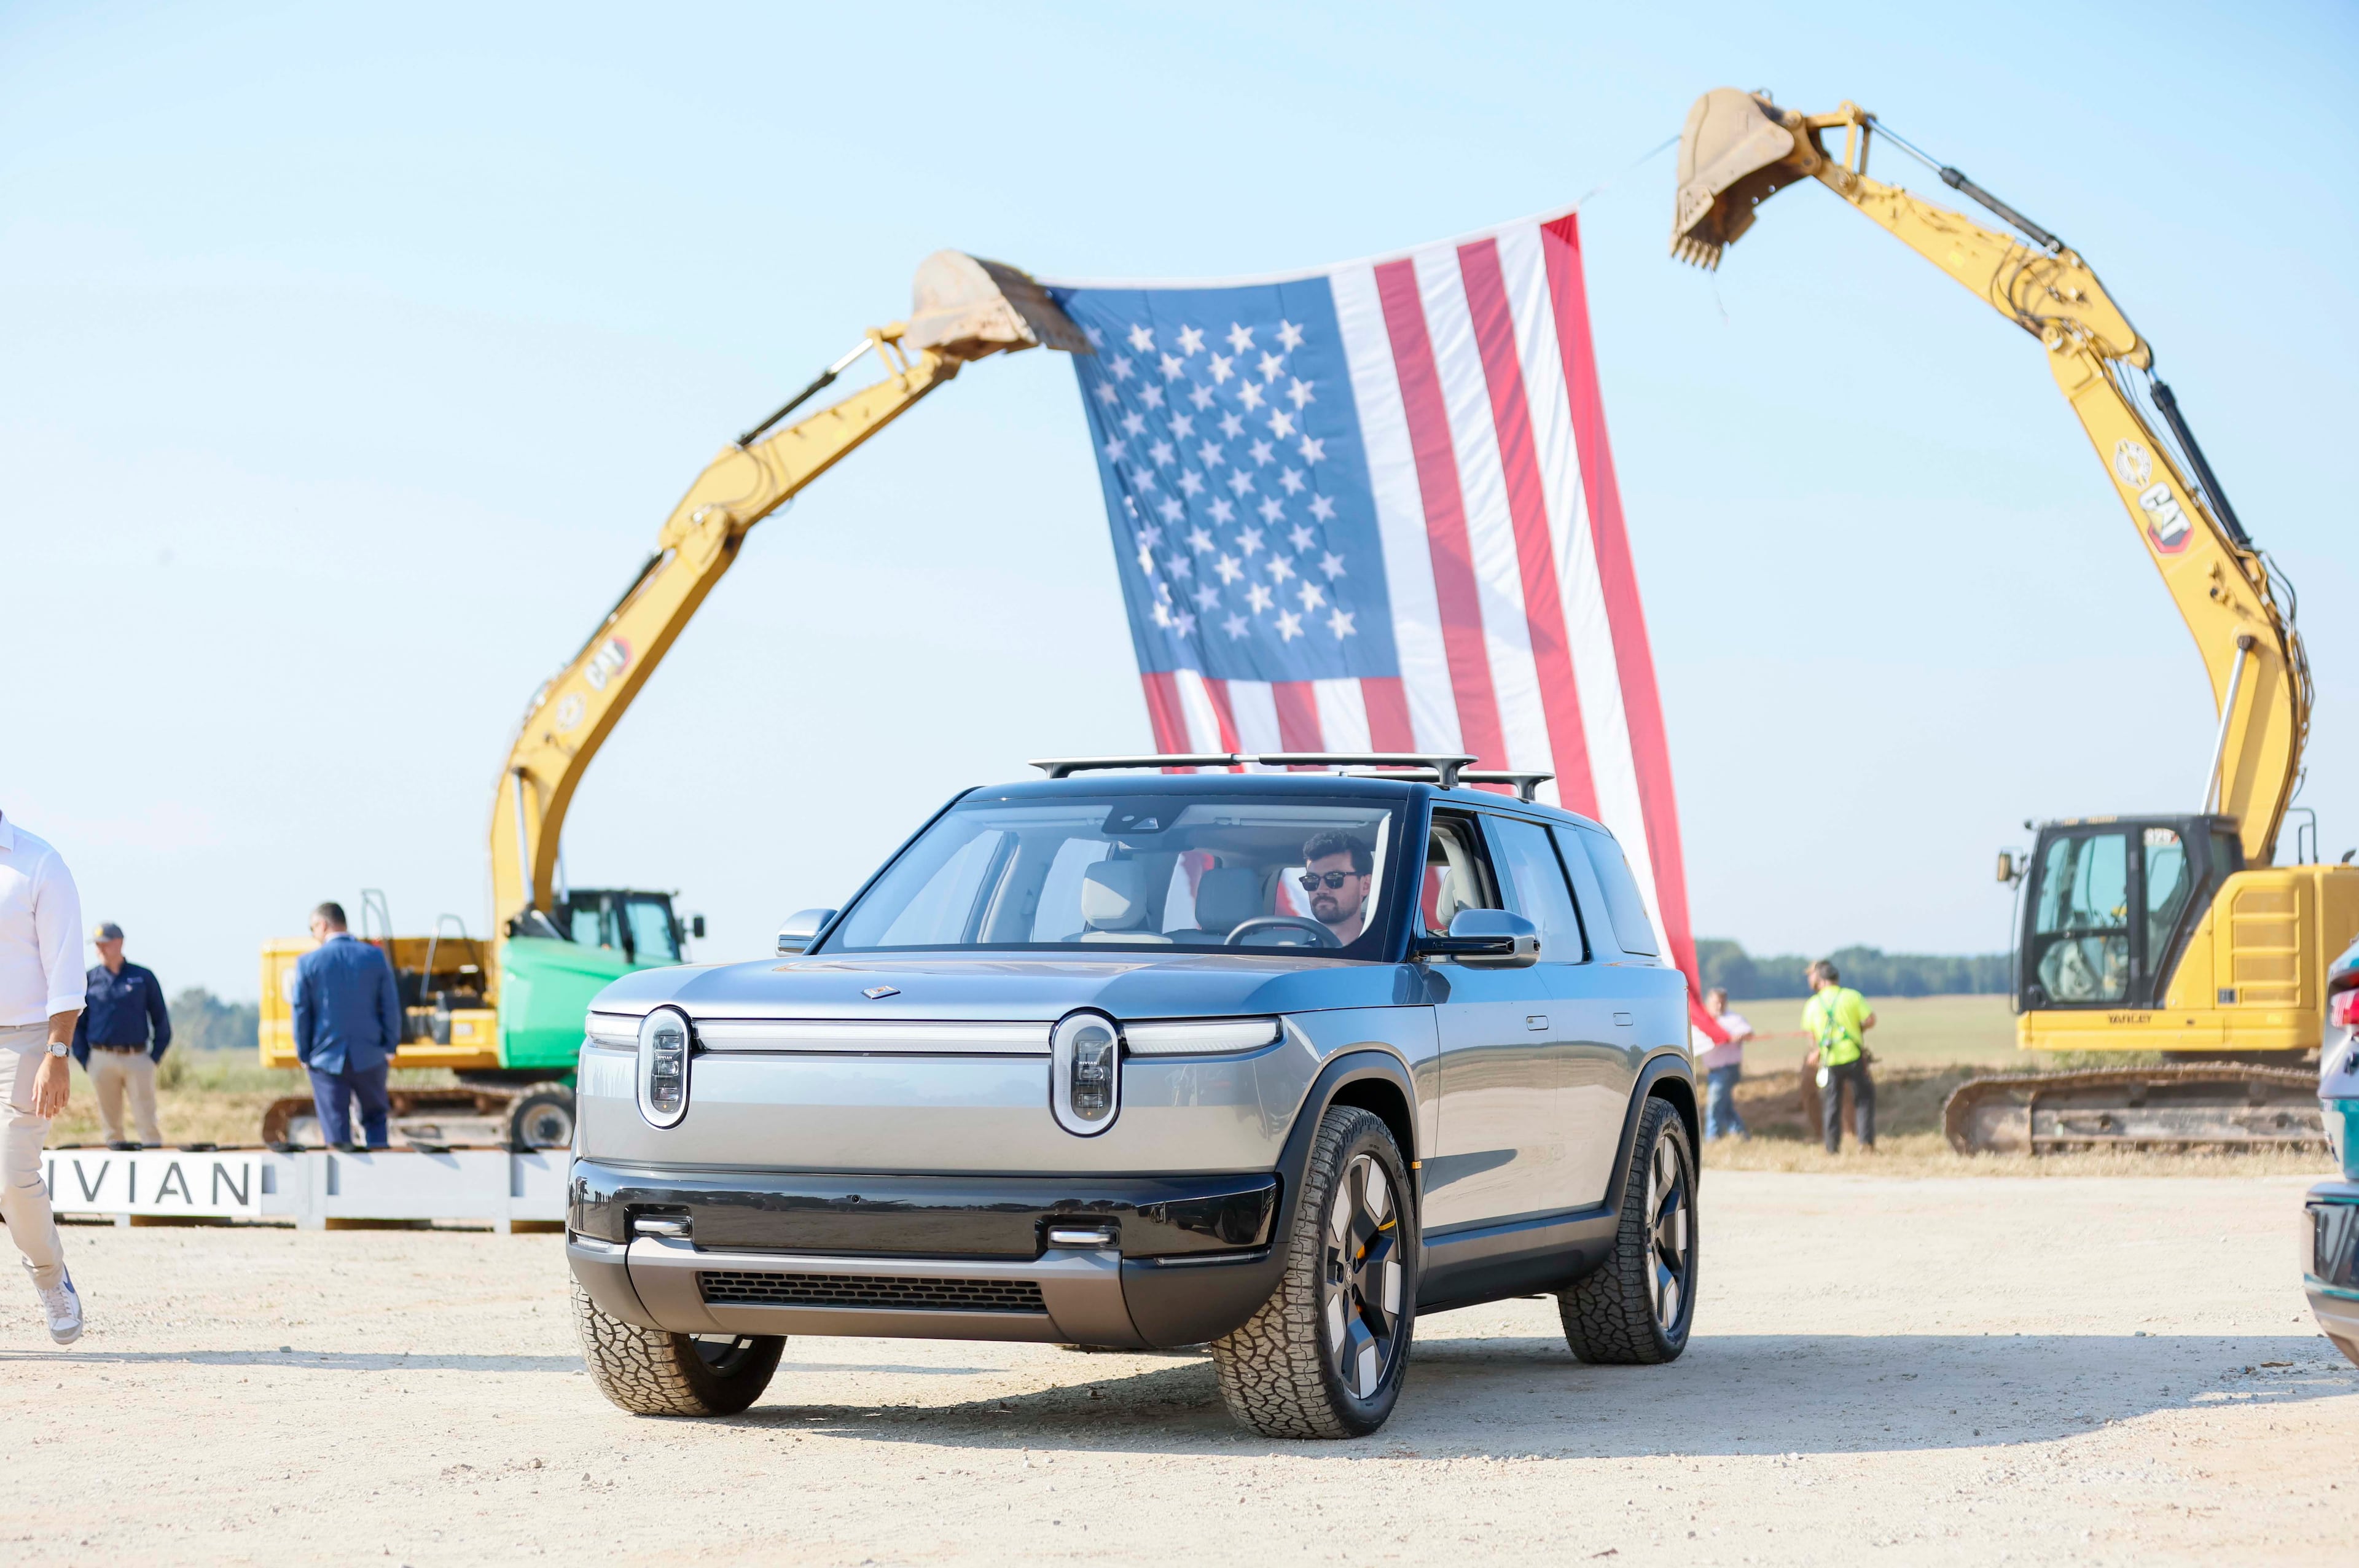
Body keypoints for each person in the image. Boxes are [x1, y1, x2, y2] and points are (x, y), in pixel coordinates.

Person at [0, 809, 86, 1343]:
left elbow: (65, 964)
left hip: (28, 1037)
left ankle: (52, 1278)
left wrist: (58, 1050)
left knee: (11, 1171)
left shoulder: (39, 863)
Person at [291, 901, 401, 1150]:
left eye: (312, 929)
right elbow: (390, 1005)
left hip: (325, 1059)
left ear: (322, 924)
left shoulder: (309, 963)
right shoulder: (373, 956)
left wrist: (304, 1053)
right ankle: (380, 1176)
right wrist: (389, 1045)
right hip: (370, 1055)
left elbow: (301, 1011)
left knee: (335, 1127)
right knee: (375, 1120)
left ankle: (343, 1184)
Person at [72, 921, 171, 1149]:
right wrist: (86, 1060)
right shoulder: (89, 980)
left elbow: (161, 1019)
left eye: (105, 944)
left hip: (138, 1058)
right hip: (101, 1057)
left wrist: (153, 1058)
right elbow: (78, 1024)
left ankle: (154, 1157)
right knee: (111, 1121)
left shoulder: (142, 977)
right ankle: (117, 1161)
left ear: (120, 943)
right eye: (97, 945)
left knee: (146, 1117)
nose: (100, 949)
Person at [1801, 959, 1877, 1152]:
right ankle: (1866, 1143)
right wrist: (1857, 1029)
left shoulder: (1813, 1004)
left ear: (1822, 979)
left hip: (1830, 1060)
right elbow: (1870, 1020)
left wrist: (1817, 1050)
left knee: (1832, 1105)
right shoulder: (1852, 997)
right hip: (1853, 1056)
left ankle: (1832, 1148)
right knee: (1863, 1100)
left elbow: (1811, 1035)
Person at [1694, 986, 1754, 1140]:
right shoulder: (1703, 1021)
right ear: (1709, 1003)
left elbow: (1748, 1033)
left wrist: (1738, 1037)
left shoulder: (1734, 1019)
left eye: (1722, 1003)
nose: (1719, 1006)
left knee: (1714, 1106)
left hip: (1727, 1069)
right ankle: (1742, 1135)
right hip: (1714, 1070)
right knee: (1725, 1106)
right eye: (1716, 1003)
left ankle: (1712, 1138)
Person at [1298, 832, 1374, 945]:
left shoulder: (1388, 954)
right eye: (1312, 879)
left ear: (1365, 885)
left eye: (1334, 878)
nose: (1321, 890)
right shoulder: (1295, 956)